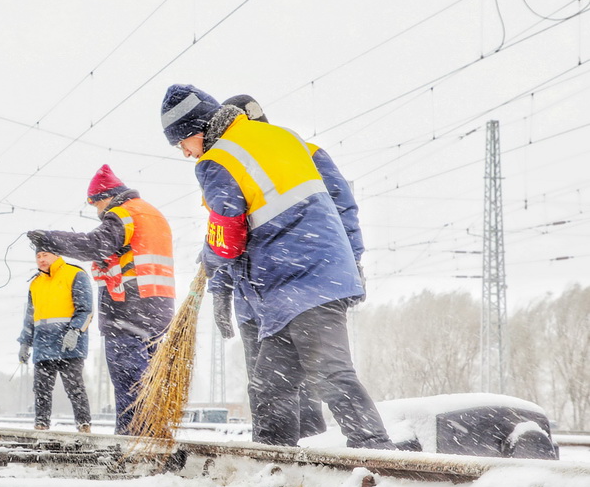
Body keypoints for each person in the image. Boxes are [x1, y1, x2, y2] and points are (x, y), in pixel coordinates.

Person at [161, 83, 393, 449]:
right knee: (271, 384)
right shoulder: (285, 138)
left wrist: (209, 260)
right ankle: (273, 466)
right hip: (298, 282)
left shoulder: (216, 161)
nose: (186, 153)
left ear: (195, 131)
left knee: (330, 374)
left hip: (300, 279)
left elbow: (229, 236)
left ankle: (378, 455)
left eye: (181, 144)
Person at [27, 165, 175, 435]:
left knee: (129, 380)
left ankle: (130, 444)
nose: (97, 211)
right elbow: (132, 254)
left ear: (104, 196)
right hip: (159, 309)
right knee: (152, 380)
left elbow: (94, 245)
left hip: (128, 309)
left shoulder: (121, 214)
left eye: (95, 203)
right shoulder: (153, 214)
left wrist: (51, 239)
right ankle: (155, 436)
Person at [18, 245, 94, 433]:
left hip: (70, 345)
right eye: (38, 256)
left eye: (45, 255)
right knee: (41, 390)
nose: (41, 260)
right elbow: (30, 317)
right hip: (43, 345)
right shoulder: (35, 284)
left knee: (74, 388)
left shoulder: (75, 274)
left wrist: (75, 331)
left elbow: (86, 310)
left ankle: (84, 426)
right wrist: (25, 343)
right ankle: (41, 426)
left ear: (56, 255)